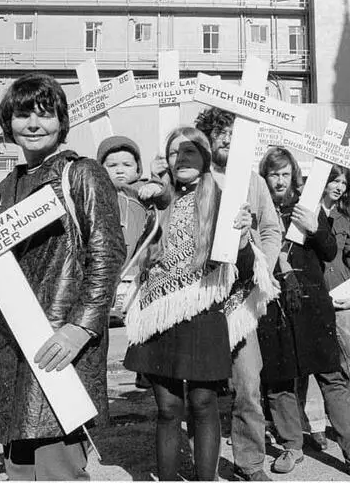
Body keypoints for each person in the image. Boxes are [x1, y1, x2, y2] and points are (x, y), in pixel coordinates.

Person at [0, 73, 126, 480]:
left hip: (59, 341)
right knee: (19, 464)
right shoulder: (9, 184)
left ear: (62, 120)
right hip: (13, 342)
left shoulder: (82, 172)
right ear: (9, 123)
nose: (34, 124)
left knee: (57, 465)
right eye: (24, 114)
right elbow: (12, 258)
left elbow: (108, 254)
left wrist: (80, 327)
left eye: (45, 113)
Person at [123, 126, 259, 481]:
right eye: (174, 153)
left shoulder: (225, 201)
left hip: (204, 313)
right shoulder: (158, 202)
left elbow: (243, 271)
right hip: (160, 314)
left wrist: (243, 239)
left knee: (202, 403)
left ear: (205, 157)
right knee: (168, 409)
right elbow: (141, 257)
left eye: (189, 152)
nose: (181, 159)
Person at [257, 147, 350, 480]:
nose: (280, 180)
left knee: (332, 376)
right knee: (280, 380)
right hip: (273, 305)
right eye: (274, 174)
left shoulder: (309, 205)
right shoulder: (256, 208)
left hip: (312, 304)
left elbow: (330, 251)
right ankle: (291, 445)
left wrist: (314, 227)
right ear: (265, 176)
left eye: (286, 173)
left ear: (294, 175)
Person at [193, 107, 282, 481]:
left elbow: (271, 230)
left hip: (241, 299)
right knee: (199, 390)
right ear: (207, 139)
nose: (226, 138)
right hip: (200, 296)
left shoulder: (252, 181)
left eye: (233, 131)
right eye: (219, 132)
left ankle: (249, 463)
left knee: (248, 383)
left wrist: (261, 268)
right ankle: (203, 464)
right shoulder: (195, 178)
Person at [96, 135, 171, 389]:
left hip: (137, 270)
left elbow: (162, 197)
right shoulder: (97, 194)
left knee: (139, 320)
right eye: (112, 165)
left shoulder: (142, 191)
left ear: (138, 169)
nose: (119, 170)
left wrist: (155, 183)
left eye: (127, 165)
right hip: (107, 270)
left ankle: (144, 369)